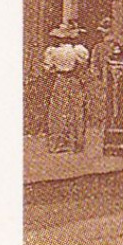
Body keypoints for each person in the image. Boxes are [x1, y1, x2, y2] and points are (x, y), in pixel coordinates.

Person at [42, 23, 89, 153]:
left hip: (60, 79)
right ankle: (75, 143)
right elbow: (83, 64)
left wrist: (56, 69)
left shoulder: (52, 51)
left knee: (58, 110)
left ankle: (57, 144)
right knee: (75, 110)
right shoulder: (77, 51)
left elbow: (48, 68)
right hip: (74, 79)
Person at [86, 17, 115, 133]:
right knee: (102, 98)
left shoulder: (114, 46)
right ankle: (103, 120)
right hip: (103, 75)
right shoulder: (98, 47)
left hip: (112, 74)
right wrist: (96, 74)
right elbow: (94, 62)